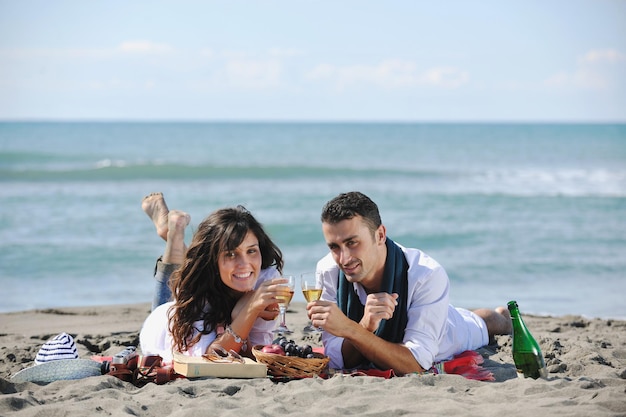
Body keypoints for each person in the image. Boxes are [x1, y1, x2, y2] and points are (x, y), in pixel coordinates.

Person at [306, 191, 512, 376]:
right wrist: (365, 326)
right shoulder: (328, 271)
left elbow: (416, 364)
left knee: (483, 322)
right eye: (334, 247)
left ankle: (503, 316)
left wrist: (352, 330)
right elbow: (337, 359)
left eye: (352, 243)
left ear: (380, 235)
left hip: (449, 332)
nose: (344, 258)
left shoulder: (426, 274)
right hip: (422, 316)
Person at [139, 192, 290, 362]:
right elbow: (212, 358)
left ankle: (173, 233)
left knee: (190, 268)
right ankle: (173, 235)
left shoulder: (266, 279)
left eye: (252, 250)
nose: (245, 263)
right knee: (180, 285)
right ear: (212, 260)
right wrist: (248, 310)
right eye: (231, 254)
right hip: (162, 329)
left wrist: (243, 310)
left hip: (206, 281)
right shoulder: (198, 294)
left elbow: (254, 352)